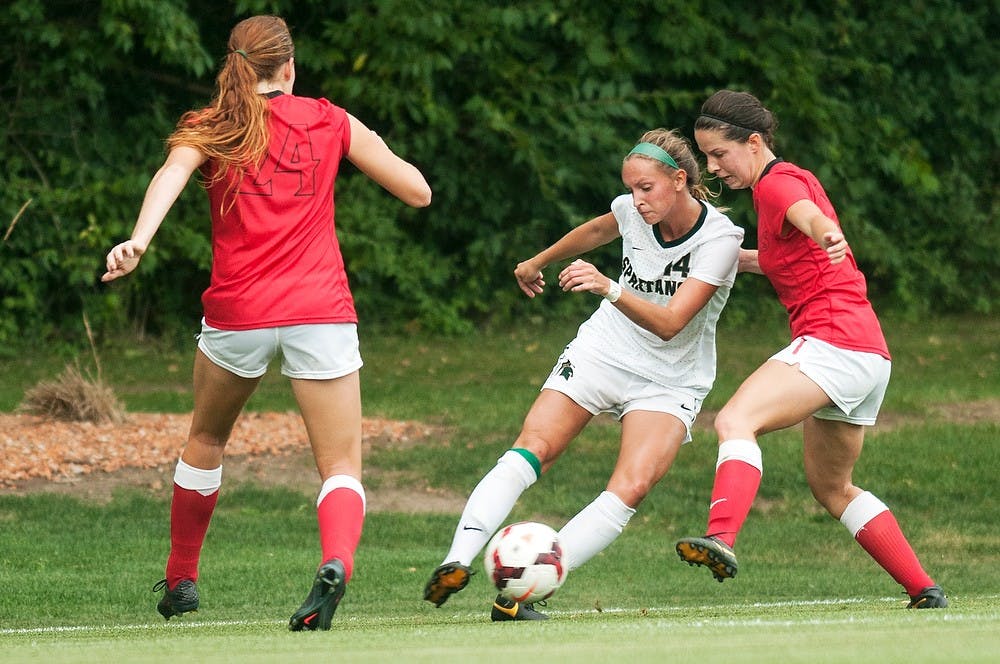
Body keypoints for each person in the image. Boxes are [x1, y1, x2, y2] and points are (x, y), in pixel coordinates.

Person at [102, 15, 431, 630]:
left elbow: (169, 176)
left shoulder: (211, 125)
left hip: (238, 314)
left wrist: (138, 241)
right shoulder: (329, 119)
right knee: (340, 467)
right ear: (289, 67)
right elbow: (417, 192)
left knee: (206, 440)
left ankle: (180, 579)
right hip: (321, 312)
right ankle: (335, 563)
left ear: (233, 66)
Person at [423, 129, 744, 620]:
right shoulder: (631, 210)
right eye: (630, 188)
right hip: (604, 350)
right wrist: (537, 261)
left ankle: (519, 595)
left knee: (631, 484)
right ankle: (456, 560)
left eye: (647, 189)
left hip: (671, 377)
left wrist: (607, 286)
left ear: (679, 180)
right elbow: (597, 230)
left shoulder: (720, 239)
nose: (635, 201)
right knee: (533, 447)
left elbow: (672, 323)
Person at [674, 89, 947, 609]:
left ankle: (721, 539)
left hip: (832, 342)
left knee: (734, 421)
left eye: (719, 154)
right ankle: (924, 589)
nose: (712, 166)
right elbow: (781, 258)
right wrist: (710, 259)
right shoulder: (776, 186)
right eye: (705, 155)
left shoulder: (777, 185)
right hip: (868, 355)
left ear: (753, 142)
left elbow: (809, 219)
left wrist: (827, 233)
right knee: (832, 486)